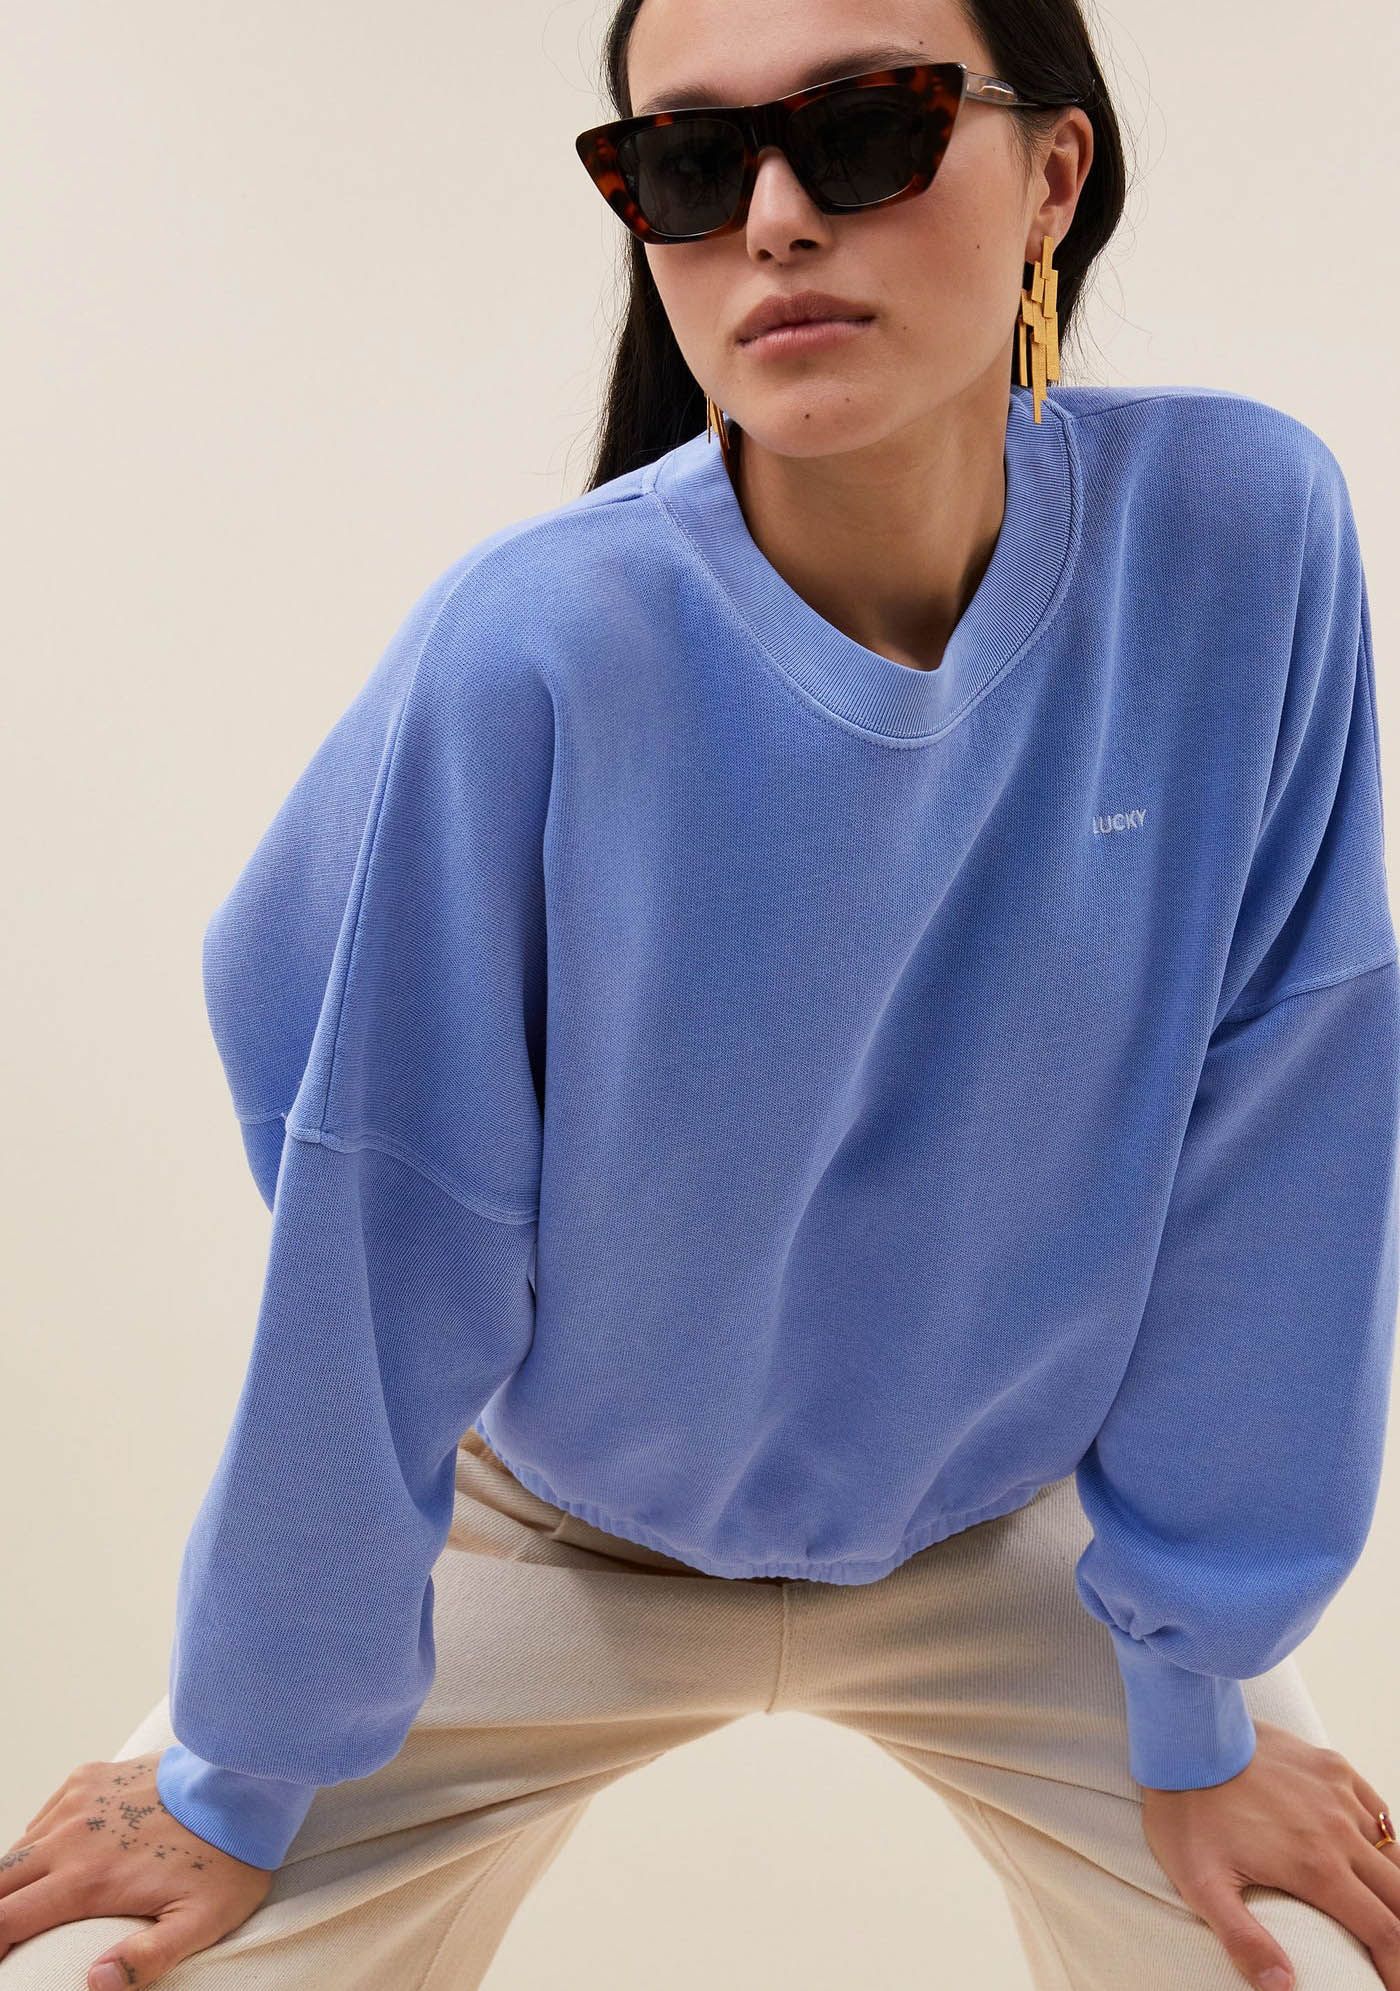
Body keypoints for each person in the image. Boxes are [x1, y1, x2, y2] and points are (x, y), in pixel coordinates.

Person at [5, 1, 1399, 1987]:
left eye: (869, 130)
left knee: (1311, 1963)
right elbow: (378, 1240)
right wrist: (235, 1772)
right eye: (685, 161)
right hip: (548, 1528)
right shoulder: (531, 649)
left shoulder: (1240, 541)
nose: (773, 217)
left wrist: (1199, 1696)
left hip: (1017, 1533)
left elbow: (1289, 1134)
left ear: (1054, 176)